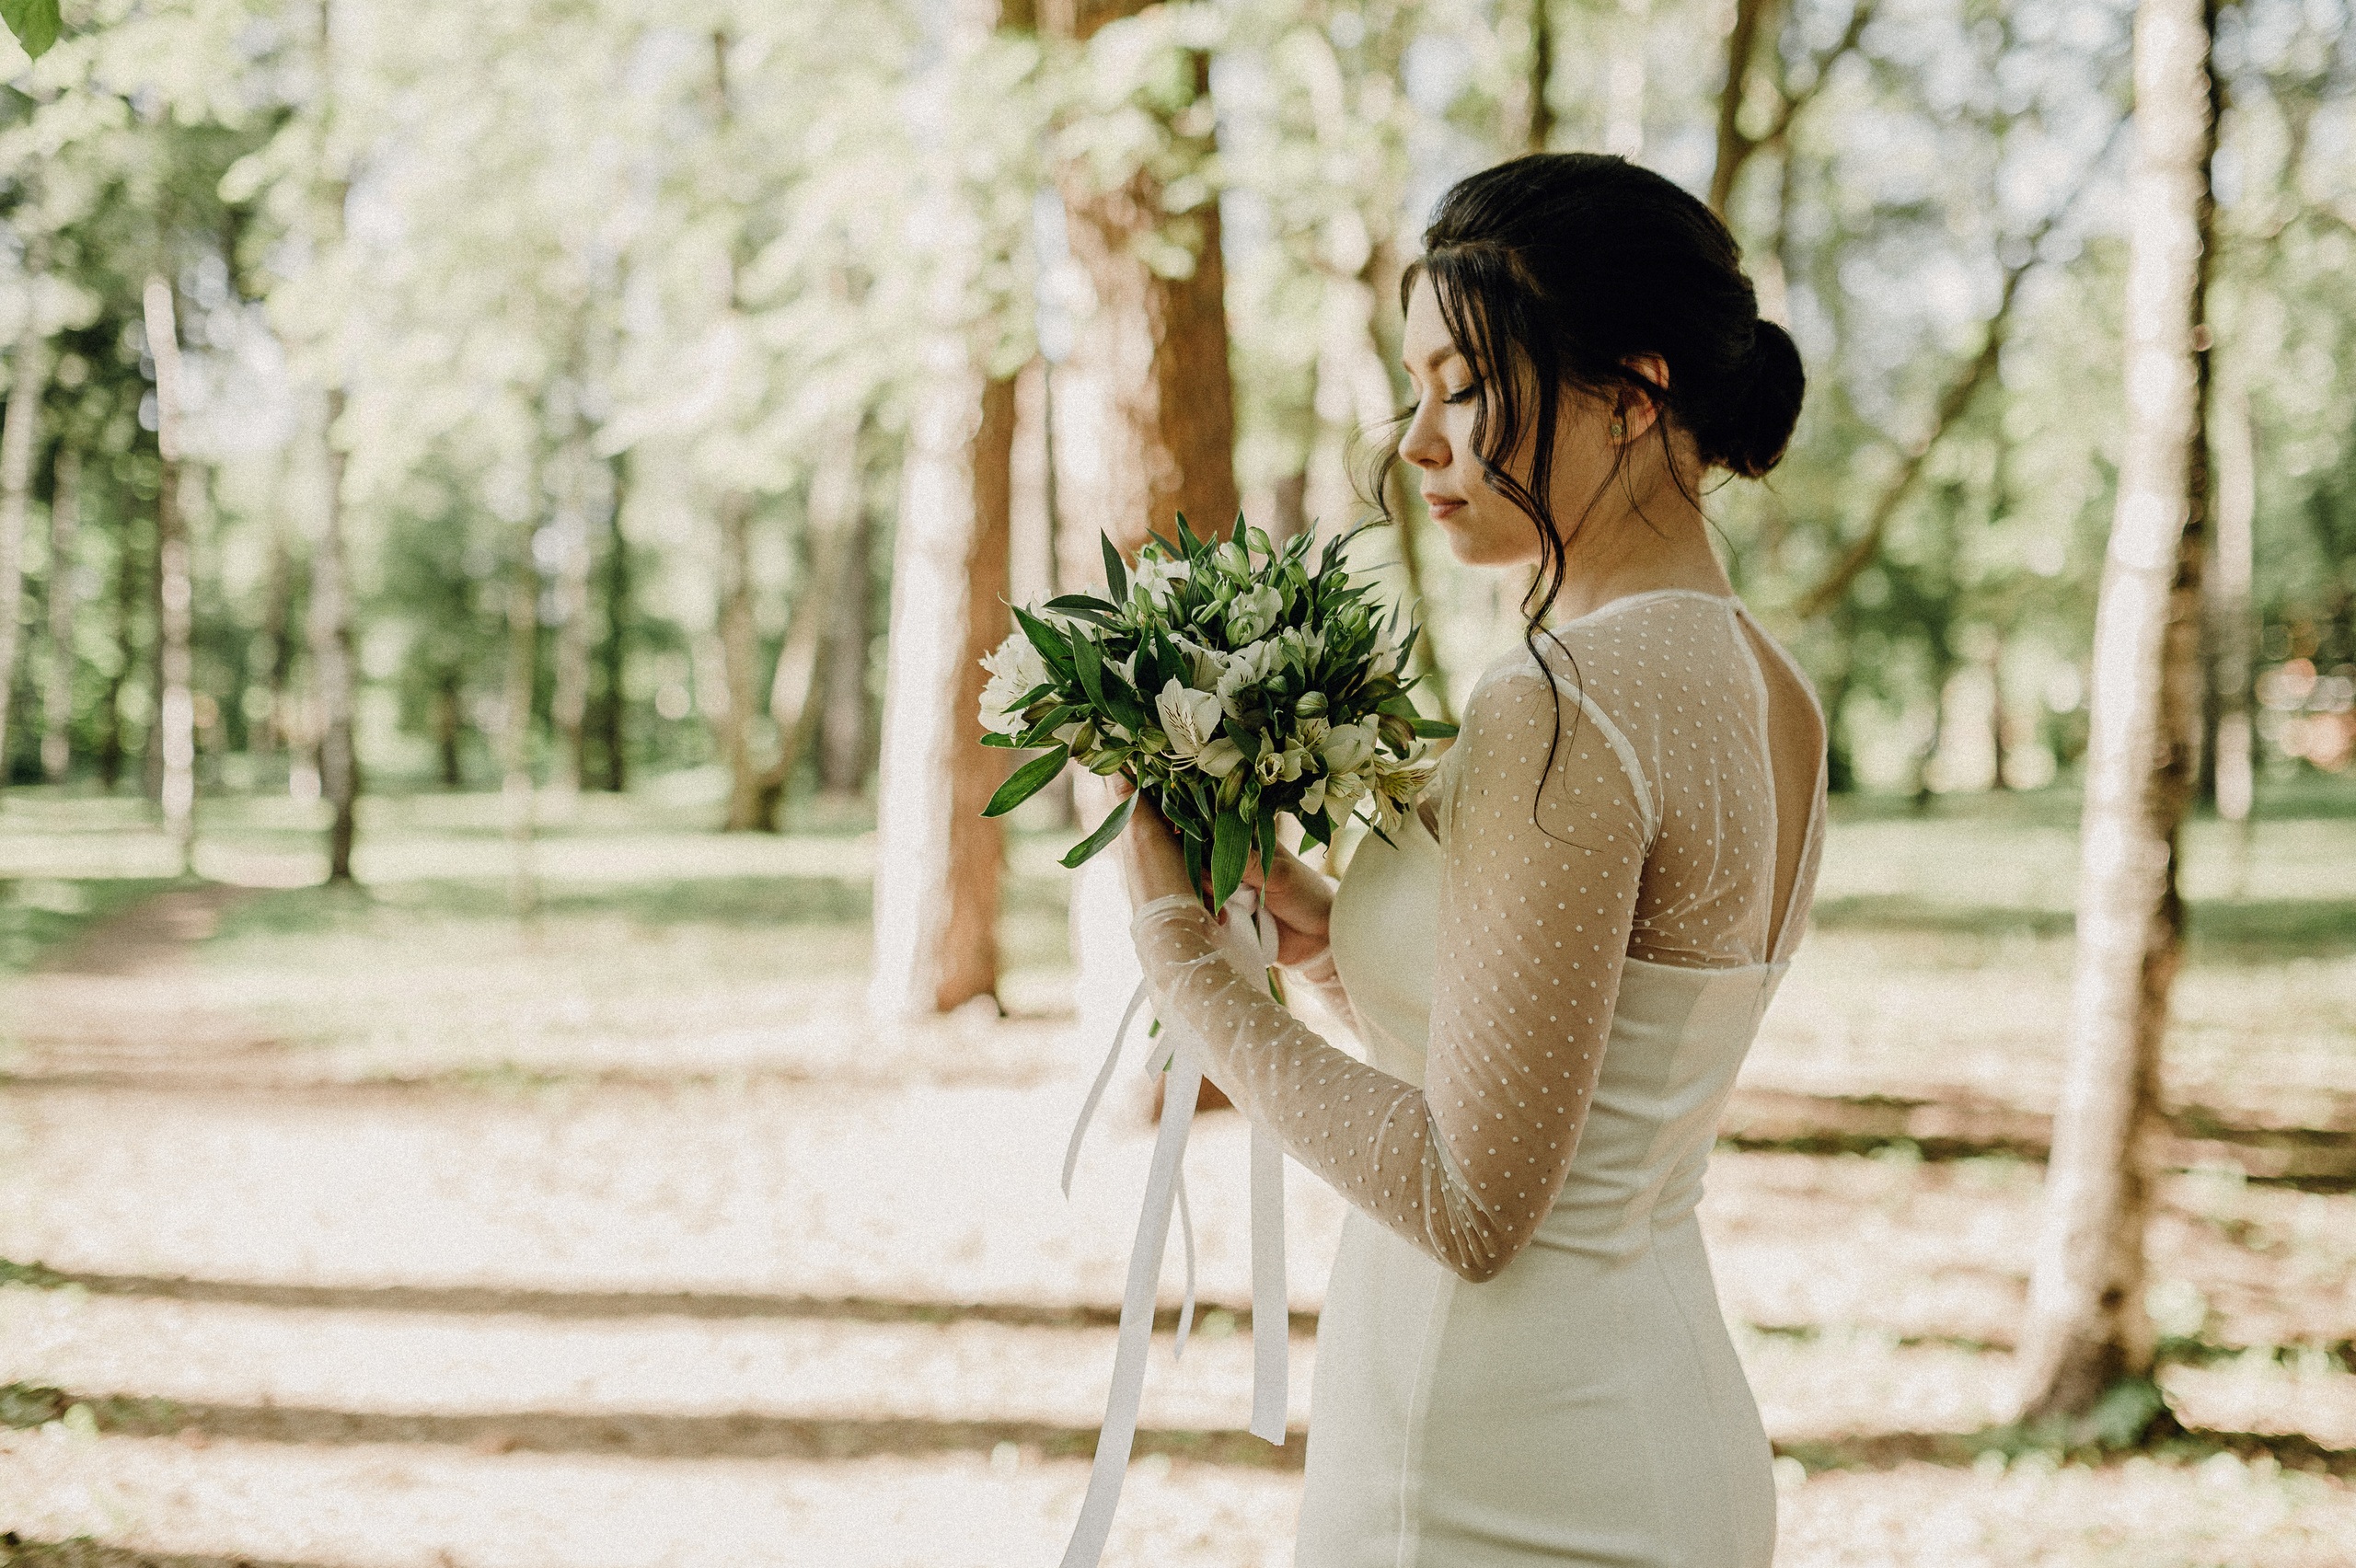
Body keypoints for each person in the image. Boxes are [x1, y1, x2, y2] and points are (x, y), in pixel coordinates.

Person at [1113, 152, 1828, 1567]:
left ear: (1633, 392)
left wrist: (1183, 964)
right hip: (1666, 1425)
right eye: (1415, 390)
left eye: (1467, 385)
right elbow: (1597, 1071)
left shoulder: (1558, 703)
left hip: (1496, 1471)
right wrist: (1327, 949)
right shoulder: (1769, 685)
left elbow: (1472, 1200)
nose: (1419, 444)